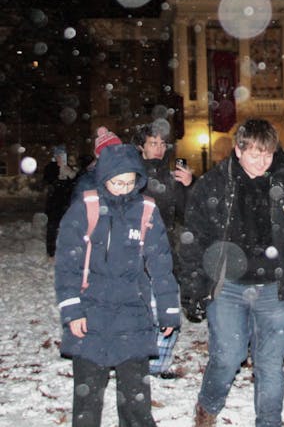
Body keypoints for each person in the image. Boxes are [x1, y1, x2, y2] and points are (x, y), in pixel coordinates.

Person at [179, 119, 284, 427]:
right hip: (228, 285)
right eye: (254, 153)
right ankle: (208, 407)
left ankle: (269, 422)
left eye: (267, 153)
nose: (261, 161)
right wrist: (193, 287)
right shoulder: (215, 184)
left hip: (274, 286)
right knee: (228, 356)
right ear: (238, 149)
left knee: (270, 364)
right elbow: (194, 238)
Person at [54, 143, 180, 427]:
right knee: (87, 400)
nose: (123, 189)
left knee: (136, 401)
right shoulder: (84, 209)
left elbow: (161, 265)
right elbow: (67, 265)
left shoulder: (146, 211)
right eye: (116, 182)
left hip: (133, 315)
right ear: (104, 179)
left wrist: (169, 309)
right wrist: (72, 311)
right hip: (90, 313)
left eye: (129, 182)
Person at [132, 120, 194, 379]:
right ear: (141, 147)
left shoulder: (171, 178)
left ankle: (158, 366)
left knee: (168, 309)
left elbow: (188, 213)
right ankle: (133, 361)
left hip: (166, 251)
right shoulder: (132, 176)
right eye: (152, 143)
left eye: (161, 144)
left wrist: (189, 185)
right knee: (138, 309)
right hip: (134, 250)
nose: (158, 148)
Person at [71, 127, 123, 201]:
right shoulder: (88, 181)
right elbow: (78, 209)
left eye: (118, 149)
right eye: (108, 151)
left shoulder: (128, 174)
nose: (115, 154)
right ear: (99, 155)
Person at [43, 145, 77, 258]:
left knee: (67, 227)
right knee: (52, 227)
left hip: (65, 203)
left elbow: (73, 184)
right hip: (54, 203)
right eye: (59, 155)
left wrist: (71, 176)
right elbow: (49, 181)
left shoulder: (68, 168)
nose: (61, 158)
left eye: (63, 155)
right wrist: (58, 179)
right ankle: (51, 251)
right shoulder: (50, 168)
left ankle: (66, 250)